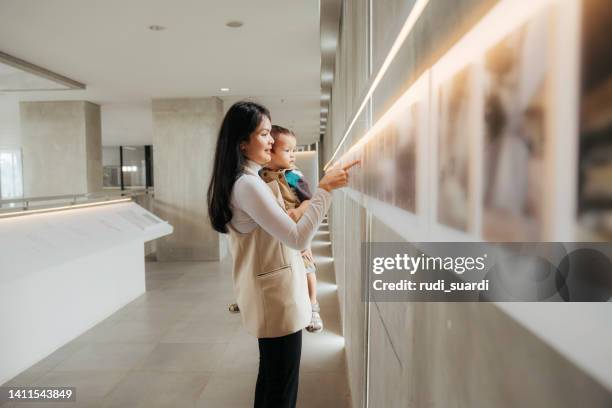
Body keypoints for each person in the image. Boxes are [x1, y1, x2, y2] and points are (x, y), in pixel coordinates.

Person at [207, 101, 357, 408]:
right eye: (264, 134)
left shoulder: (246, 180)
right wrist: (324, 190)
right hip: (276, 300)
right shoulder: (248, 184)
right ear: (242, 142)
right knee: (281, 389)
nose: (272, 140)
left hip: (272, 296)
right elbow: (297, 236)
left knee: (273, 380)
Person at [259, 125, 323, 333]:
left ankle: (313, 306)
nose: (293, 155)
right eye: (287, 151)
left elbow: (309, 201)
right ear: (270, 152)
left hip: (296, 229)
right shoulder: (260, 175)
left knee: (306, 267)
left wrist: (296, 213)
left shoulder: (294, 175)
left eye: (294, 150)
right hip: (274, 232)